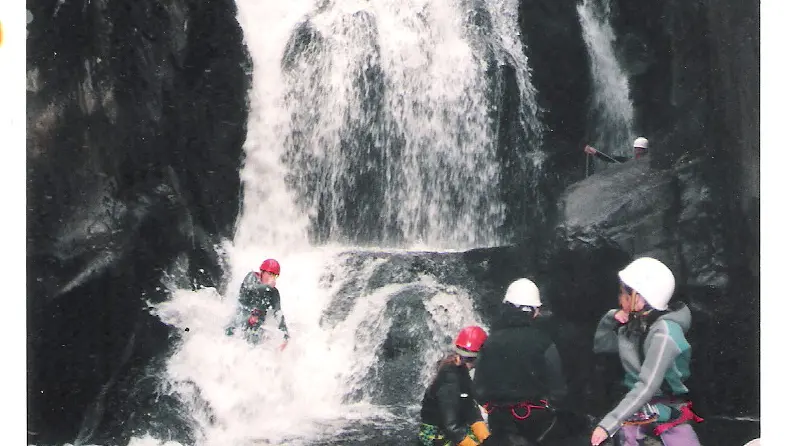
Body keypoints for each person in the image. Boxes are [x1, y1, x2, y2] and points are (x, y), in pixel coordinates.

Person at [590, 257, 703, 446]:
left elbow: (647, 386)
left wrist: (608, 424)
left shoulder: (664, 333)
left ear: (639, 298)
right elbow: (601, 346)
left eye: (623, 294)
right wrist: (610, 318)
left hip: (666, 412)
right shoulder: (635, 326)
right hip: (638, 409)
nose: (619, 299)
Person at [473, 279, 575, 446]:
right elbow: (559, 390)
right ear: (534, 312)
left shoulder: (490, 342)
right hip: (536, 421)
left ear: (506, 307)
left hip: (500, 422)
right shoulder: (544, 342)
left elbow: (479, 389)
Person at [419, 326, 492, 446]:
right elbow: (451, 426)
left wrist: (486, 437)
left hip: (452, 427)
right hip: (438, 435)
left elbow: (470, 407)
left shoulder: (460, 370)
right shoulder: (450, 379)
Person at [226, 258, 289, 348]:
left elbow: (278, 312)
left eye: (274, 276)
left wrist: (285, 335)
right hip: (240, 321)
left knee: (266, 341)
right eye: (270, 274)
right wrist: (267, 287)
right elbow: (251, 289)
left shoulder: (273, 292)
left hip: (255, 327)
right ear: (262, 272)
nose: (271, 278)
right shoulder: (251, 277)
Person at [584, 137, 650, 164]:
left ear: (645, 150)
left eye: (640, 150)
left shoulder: (649, 161)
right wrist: (595, 152)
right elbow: (611, 158)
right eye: (636, 149)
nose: (637, 152)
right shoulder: (629, 160)